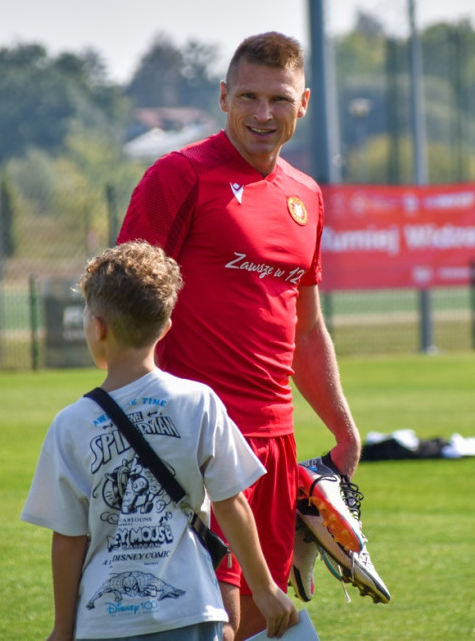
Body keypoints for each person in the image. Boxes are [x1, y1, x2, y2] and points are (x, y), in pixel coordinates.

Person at [117, 32, 361, 640]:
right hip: (190, 441)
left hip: (274, 448)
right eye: (247, 96)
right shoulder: (179, 177)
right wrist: (141, 422)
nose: (262, 113)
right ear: (224, 97)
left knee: (262, 618)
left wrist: (343, 427)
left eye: (278, 99)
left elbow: (307, 329)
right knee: (210, 621)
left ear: (302, 104)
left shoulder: (306, 195)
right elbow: (123, 308)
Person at [21, 241, 298, 641]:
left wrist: (63, 629)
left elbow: (68, 538)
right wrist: (266, 588)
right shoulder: (198, 402)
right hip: (191, 611)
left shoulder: (71, 425)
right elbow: (231, 502)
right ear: (166, 328)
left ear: (97, 327)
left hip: (105, 621)